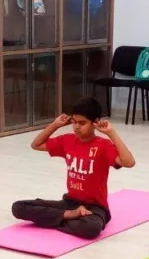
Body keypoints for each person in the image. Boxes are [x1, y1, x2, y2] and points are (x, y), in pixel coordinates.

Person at [11, 97, 136, 240]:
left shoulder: (103, 145)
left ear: (95, 122)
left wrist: (111, 133)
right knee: (18, 207)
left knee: (91, 228)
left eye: (82, 123)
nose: (77, 127)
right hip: (70, 203)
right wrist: (55, 125)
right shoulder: (67, 140)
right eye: (74, 122)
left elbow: (129, 162)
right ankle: (68, 217)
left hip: (94, 208)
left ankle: (52, 219)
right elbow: (36, 145)